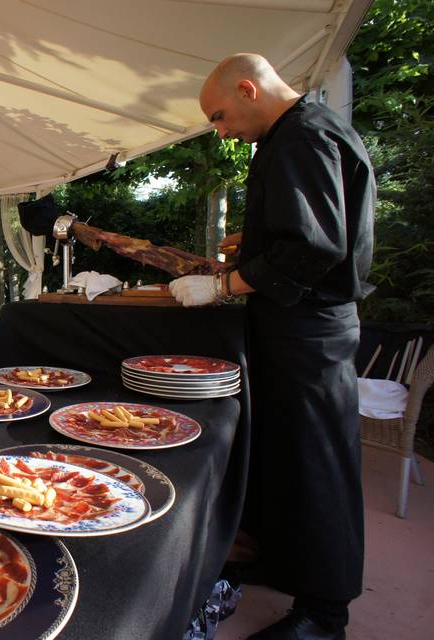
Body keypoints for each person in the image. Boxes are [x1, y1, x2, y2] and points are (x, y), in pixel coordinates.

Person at [169, 54, 374, 640]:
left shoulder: (301, 137)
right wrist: (249, 240)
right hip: (296, 325)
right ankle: (286, 564)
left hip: (312, 329)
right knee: (286, 457)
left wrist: (222, 285)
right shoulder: (303, 130)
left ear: (247, 88)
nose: (221, 130)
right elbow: (304, 226)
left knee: (319, 463)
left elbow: (315, 248)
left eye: (220, 115)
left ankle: (324, 615)